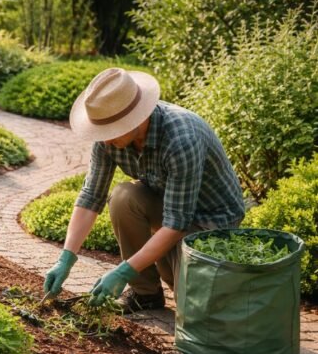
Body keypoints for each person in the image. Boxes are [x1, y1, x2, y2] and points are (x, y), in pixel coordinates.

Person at [43, 67, 245, 312]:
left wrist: (124, 270)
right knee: (123, 197)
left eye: (110, 130)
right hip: (171, 211)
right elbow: (90, 197)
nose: (105, 140)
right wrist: (66, 258)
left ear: (136, 118)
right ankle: (146, 294)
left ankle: (190, 277)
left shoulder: (180, 138)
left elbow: (177, 222)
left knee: (194, 313)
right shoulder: (110, 141)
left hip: (211, 221)